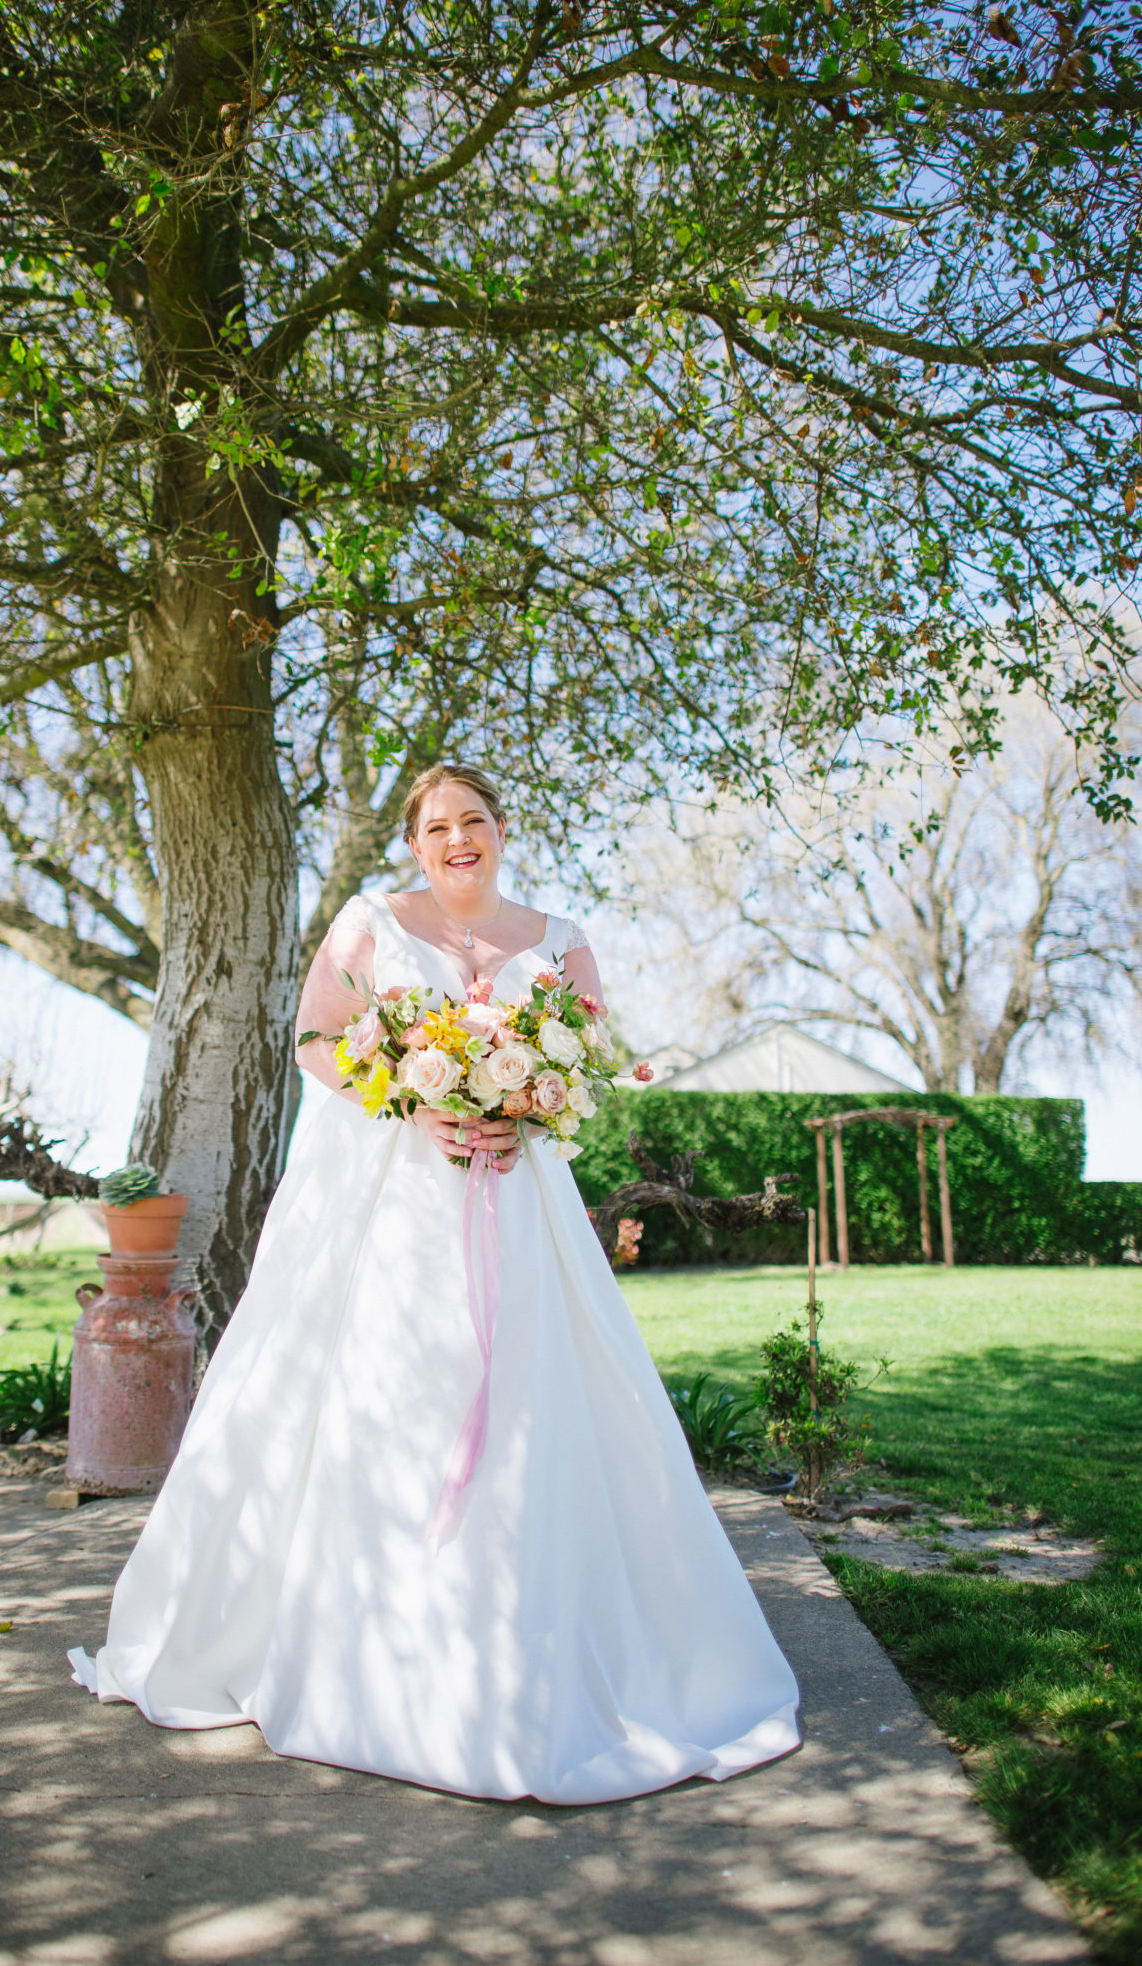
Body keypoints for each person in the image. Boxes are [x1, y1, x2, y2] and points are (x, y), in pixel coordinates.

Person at [69, 764, 799, 1802]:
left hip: (518, 1200)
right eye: (438, 825)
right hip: (391, 1198)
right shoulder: (372, 922)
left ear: (500, 829)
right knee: (387, 1396)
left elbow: (584, 1059)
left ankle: (527, 1641)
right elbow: (314, 1039)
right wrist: (413, 1104)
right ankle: (374, 1647)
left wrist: (525, 1106)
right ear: (414, 843)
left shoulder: (559, 940)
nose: (458, 837)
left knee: (530, 1400)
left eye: (475, 819)